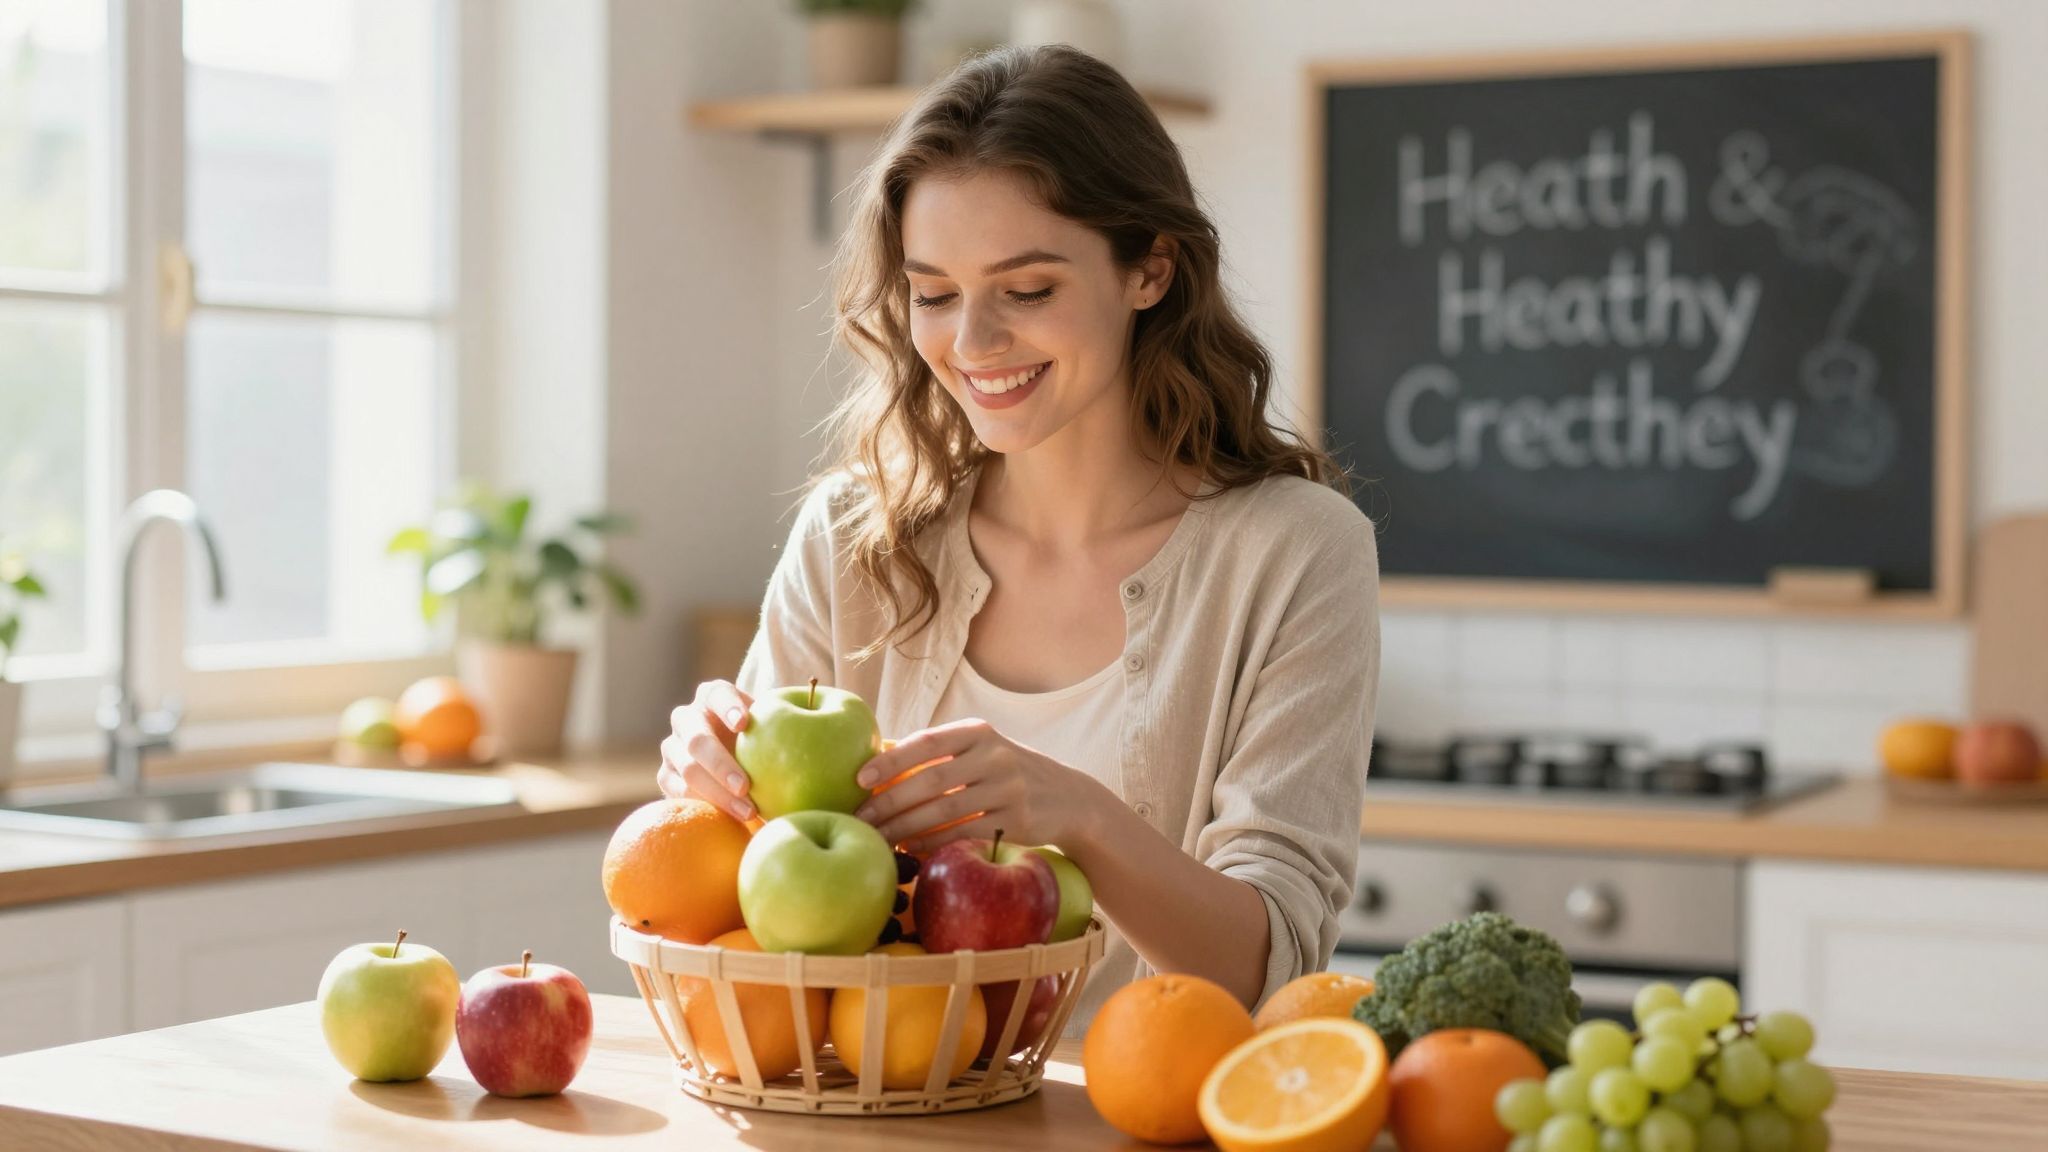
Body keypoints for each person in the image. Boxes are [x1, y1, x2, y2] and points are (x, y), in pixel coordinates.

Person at [658, 44, 1379, 1029]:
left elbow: (1269, 966)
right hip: (873, 1098)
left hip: (1139, 1103)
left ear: (1150, 269)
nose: (972, 343)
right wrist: (709, 785)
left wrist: (1078, 815)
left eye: (1027, 289)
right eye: (933, 294)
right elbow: (755, 905)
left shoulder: (1296, 553)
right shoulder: (854, 539)